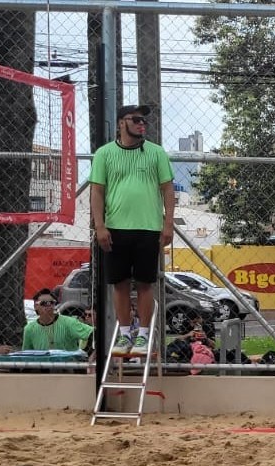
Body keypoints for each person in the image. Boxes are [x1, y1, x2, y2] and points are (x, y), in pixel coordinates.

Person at [89, 104, 176, 356]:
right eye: (136, 119)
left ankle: (144, 335)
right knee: (120, 283)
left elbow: (168, 189)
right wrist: (100, 225)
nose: (142, 124)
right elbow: (97, 191)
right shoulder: (104, 154)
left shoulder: (156, 153)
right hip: (115, 228)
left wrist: (168, 224)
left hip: (148, 227)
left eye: (144, 121)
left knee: (146, 282)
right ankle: (125, 333)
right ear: (121, 123)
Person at [21, 288, 93, 352]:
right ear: (36, 306)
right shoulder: (29, 329)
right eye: (44, 303)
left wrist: (91, 354)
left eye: (51, 303)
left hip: (67, 365)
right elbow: (26, 354)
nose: (48, 306)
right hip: (42, 366)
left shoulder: (69, 322)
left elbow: (93, 333)